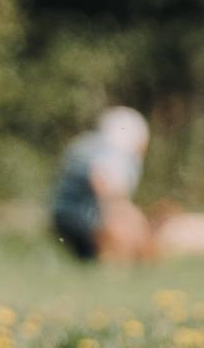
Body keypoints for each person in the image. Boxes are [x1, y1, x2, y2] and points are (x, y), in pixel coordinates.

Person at [50, 107, 154, 263]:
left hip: (62, 220)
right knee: (125, 219)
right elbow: (102, 182)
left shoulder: (86, 144)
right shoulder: (114, 152)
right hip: (86, 221)